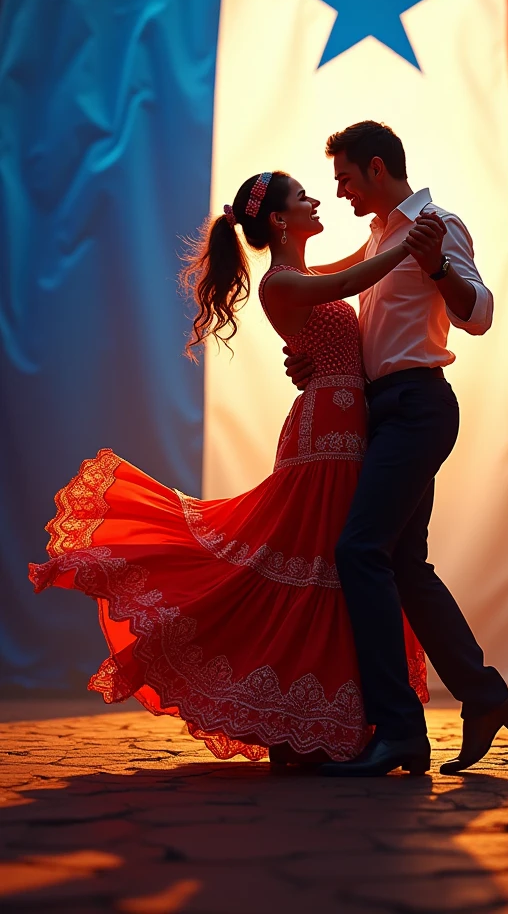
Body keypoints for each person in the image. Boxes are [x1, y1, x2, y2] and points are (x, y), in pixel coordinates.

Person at [29, 170, 430, 767]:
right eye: (302, 198)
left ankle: (320, 720)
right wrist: (411, 244)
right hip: (325, 435)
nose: (317, 200)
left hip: (346, 424)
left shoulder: (303, 276)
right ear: (277, 221)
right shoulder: (281, 283)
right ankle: (311, 720)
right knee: (315, 561)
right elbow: (354, 277)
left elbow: (354, 263)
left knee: (331, 566)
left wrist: (392, 234)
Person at [284, 122, 508, 777]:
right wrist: (323, 364)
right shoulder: (377, 239)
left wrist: (439, 264)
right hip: (384, 409)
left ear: (379, 167)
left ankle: (398, 731)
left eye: (346, 179)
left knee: (360, 550)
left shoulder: (436, 224)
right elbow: (372, 332)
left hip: (418, 405)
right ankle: (481, 695)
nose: (340, 193)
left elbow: (478, 314)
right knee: (402, 563)